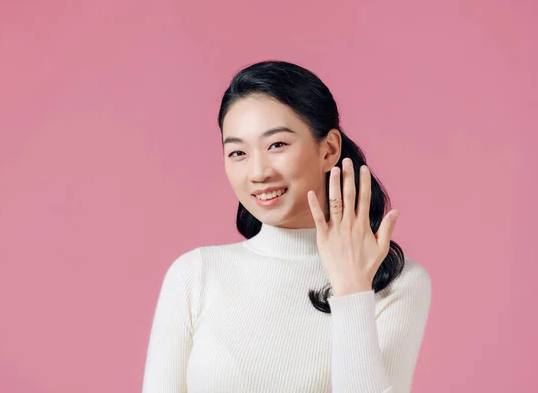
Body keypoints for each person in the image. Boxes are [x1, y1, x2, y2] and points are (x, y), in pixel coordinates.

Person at [141, 60, 432, 393]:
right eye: (237, 152)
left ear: (329, 149)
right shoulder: (195, 274)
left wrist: (353, 289)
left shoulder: (399, 283)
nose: (258, 172)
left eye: (277, 145)